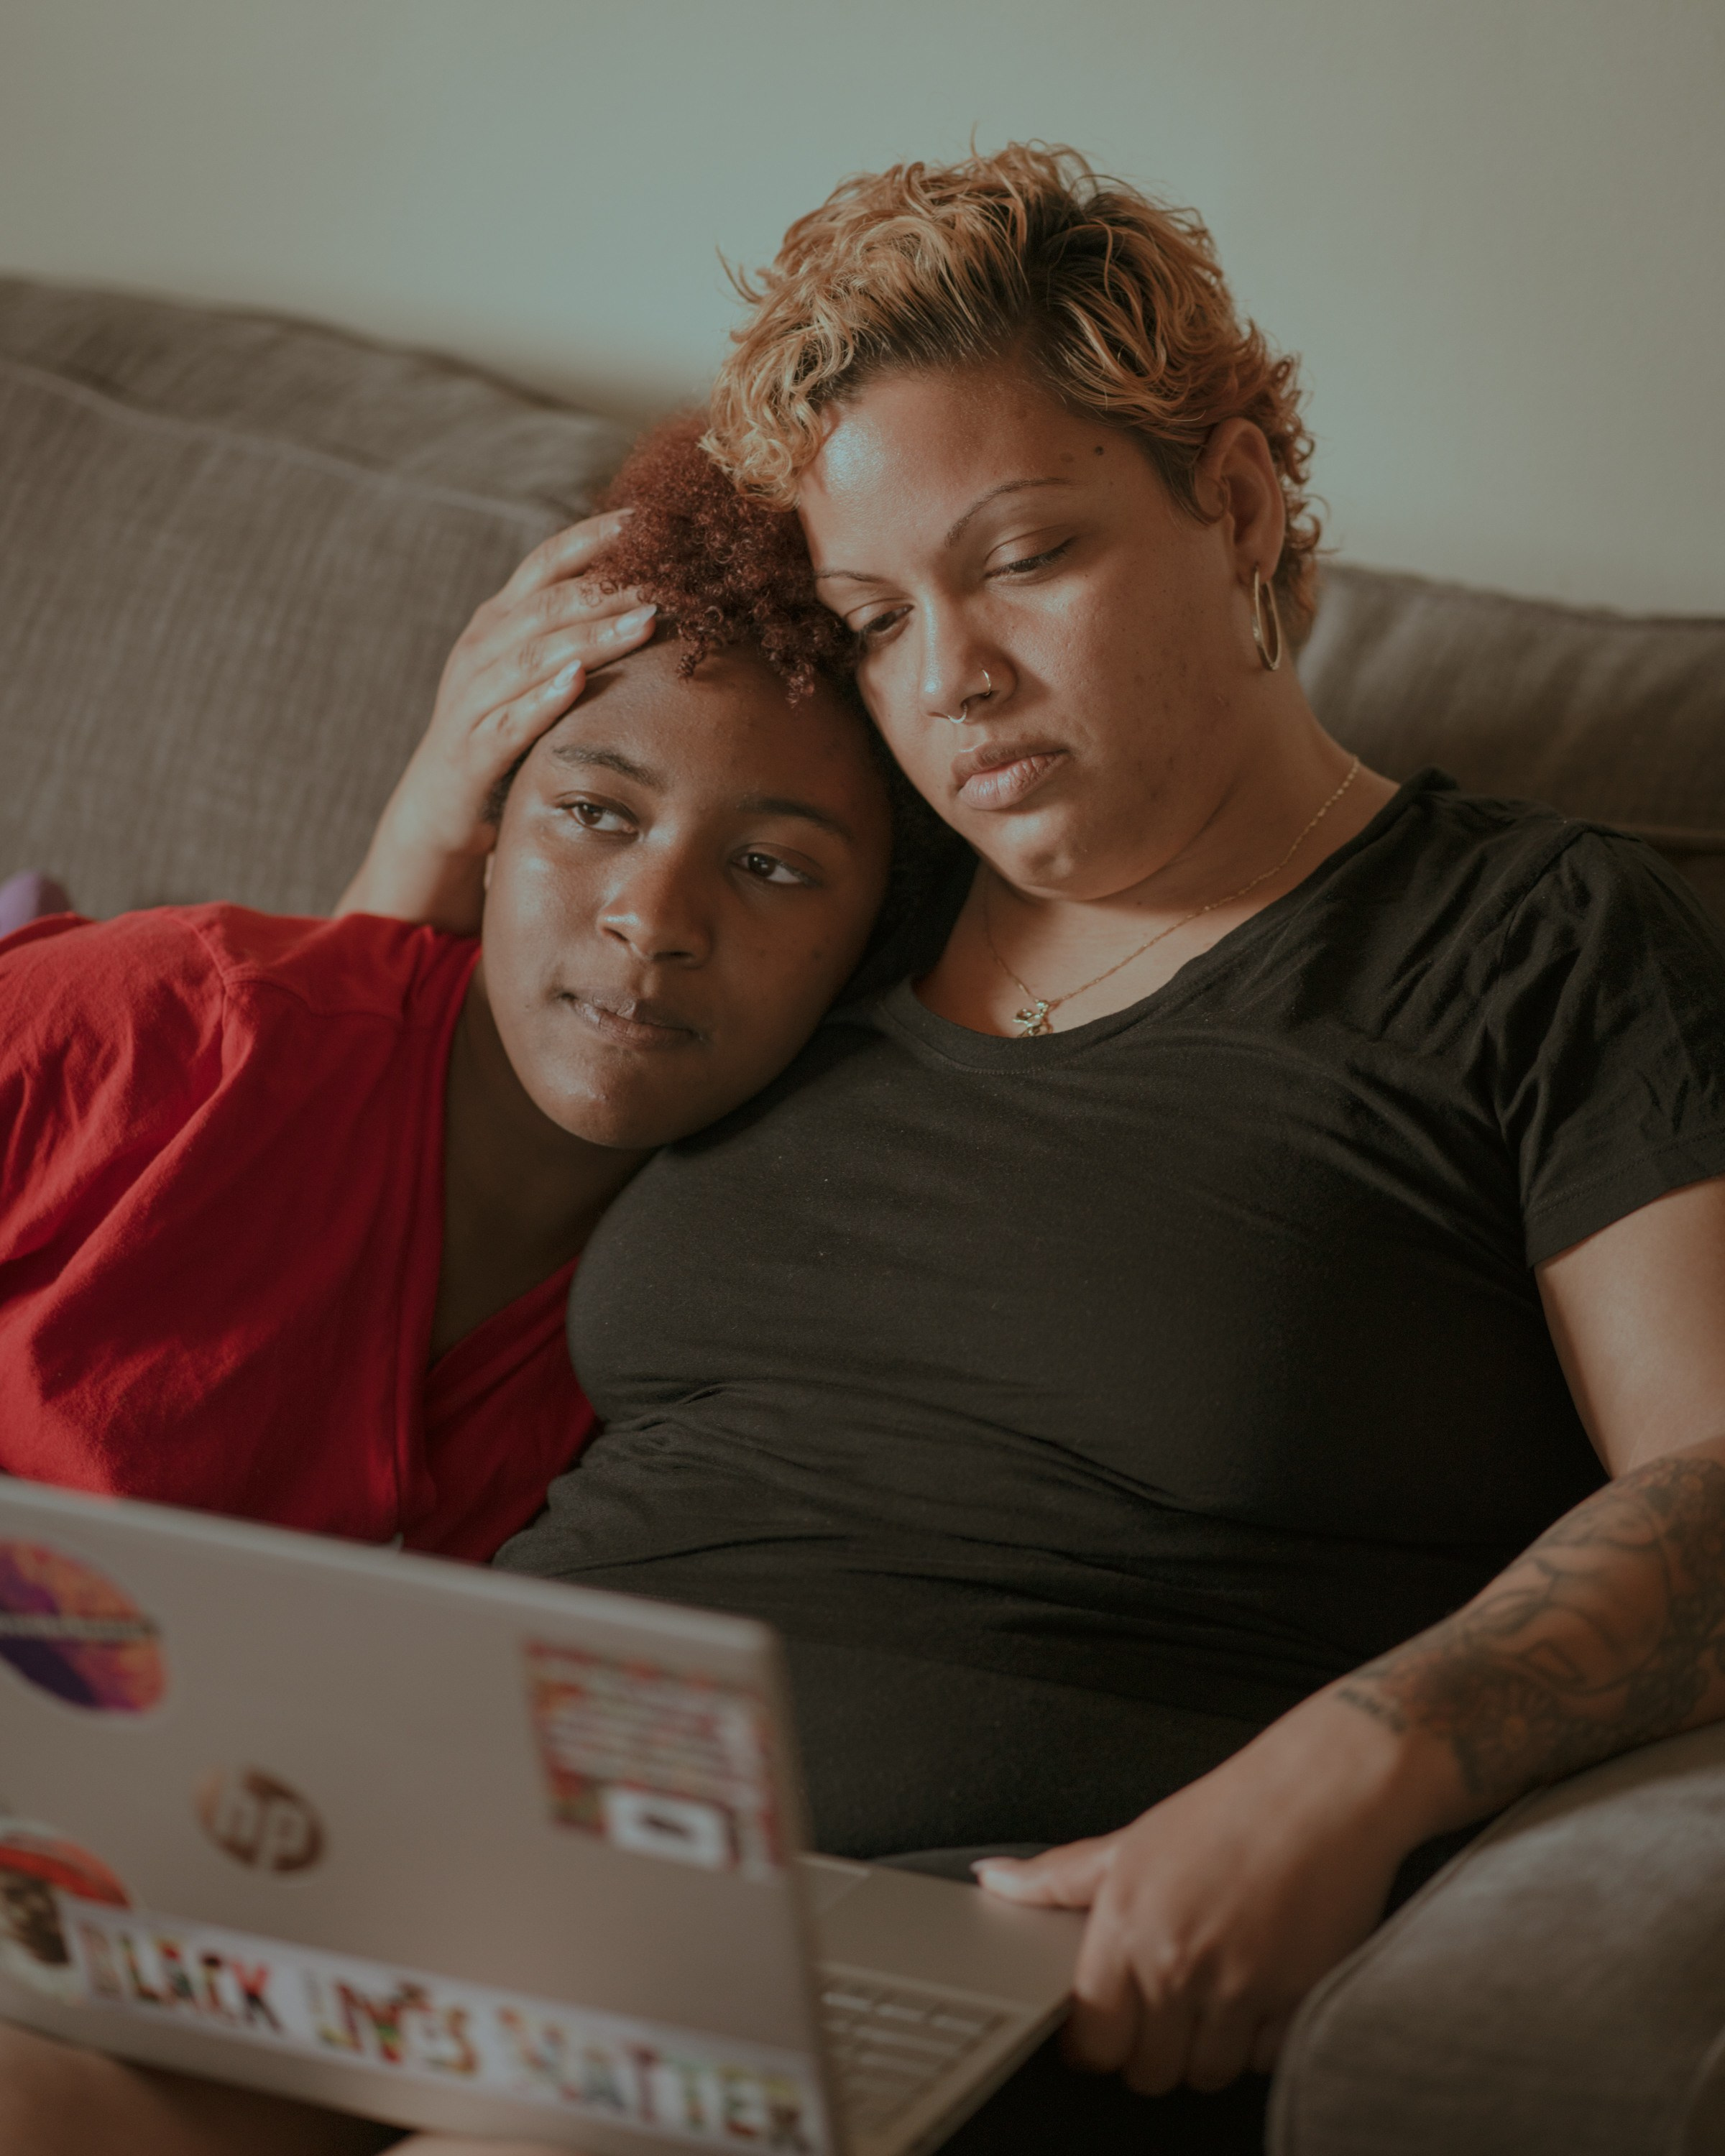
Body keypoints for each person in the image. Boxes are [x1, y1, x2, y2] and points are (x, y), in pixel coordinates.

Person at [14, 144, 1725, 2156]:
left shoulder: (1533, 942)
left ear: (1240, 499)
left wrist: (1364, 1762)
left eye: (1023, 559)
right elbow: (400, 1142)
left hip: (980, 1935)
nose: (952, 680)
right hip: (456, 1873)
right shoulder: (832, 920)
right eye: (875, 613)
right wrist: (428, 843)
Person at [0, 415, 900, 1561]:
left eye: (771, 865)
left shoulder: (715, 1338)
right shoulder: (170, 1018)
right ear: (489, 826)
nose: (655, 920)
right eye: (595, 813)